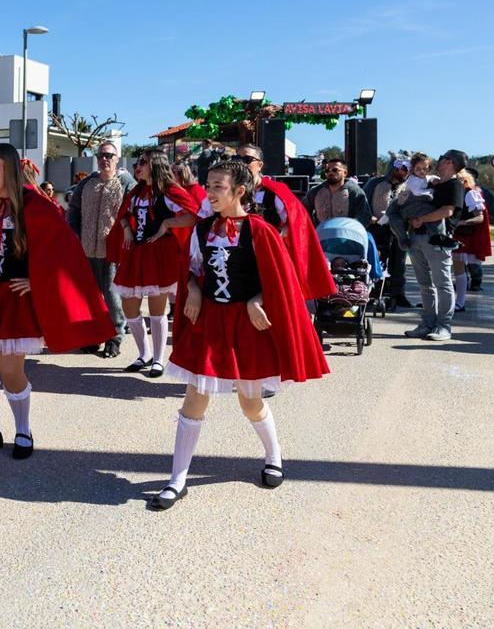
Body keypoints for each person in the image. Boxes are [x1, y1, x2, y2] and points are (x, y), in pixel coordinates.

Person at [149, 159, 328, 510]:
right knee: (194, 399)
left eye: (218, 186)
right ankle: (177, 479)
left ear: (239, 191)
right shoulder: (202, 230)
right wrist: (195, 290)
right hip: (212, 323)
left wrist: (256, 300)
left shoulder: (260, 230)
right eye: (209, 184)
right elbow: (192, 271)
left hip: (248, 327)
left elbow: (280, 281)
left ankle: (274, 455)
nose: (210, 192)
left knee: (250, 402)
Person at [0, 143, 113, 459]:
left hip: (16, 300)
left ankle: (23, 430)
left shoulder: (37, 206)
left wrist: (38, 280)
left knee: (10, 369)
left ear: (10, 169)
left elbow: (63, 251)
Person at [197, 145, 334, 301]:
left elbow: (296, 224)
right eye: (237, 159)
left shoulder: (274, 191)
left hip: (266, 262)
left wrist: (273, 240)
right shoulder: (221, 192)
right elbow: (202, 222)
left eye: (247, 159)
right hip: (232, 263)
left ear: (260, 165)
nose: (241, 163)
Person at [107, 148, 198, 377]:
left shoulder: (169, 191)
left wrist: (167, 224)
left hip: (159, 255)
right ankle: (144, 354)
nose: (138, 166)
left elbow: (193, 215)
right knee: (129, 306)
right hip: (135, 254)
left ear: (155, 165)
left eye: (144, 163)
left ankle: (158, 359)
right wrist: (127, 227)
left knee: (157, 309)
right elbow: (123, 216)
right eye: (138, 162)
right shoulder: (136, 191)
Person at [66, 141, 136, 358]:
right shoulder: (87, 183)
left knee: (112, 296)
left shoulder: (126, 183)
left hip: (113, 251)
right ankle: (93, 336)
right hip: (87, 248)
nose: (104, 159)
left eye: (109, 155)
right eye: (101, 155)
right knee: (90, 296)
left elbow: (133, 212)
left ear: (117, 158)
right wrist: (75, 234)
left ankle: (115, 337)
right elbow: (74, 211)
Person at [405, 150, 467, 342]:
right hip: (418, 238)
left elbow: (447, 211)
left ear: (449, 162)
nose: (438, 162)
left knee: (443, 284)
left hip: (438, 239)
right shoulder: (434, 183)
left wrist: (420, 219)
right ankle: (428, 323)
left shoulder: (455, 185)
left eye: (441, 159)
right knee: (425, 284)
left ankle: (444, 326)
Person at [363, 157, 412, 309]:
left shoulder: (409, 186)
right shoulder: (375, 183)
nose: (405, 172)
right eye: (402, 168)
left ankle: (398, 294)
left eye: (407, 169)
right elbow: (363, 202)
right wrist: (369, 217)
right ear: (394, 168)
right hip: (377, 227)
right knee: (376, 260)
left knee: (399, 263)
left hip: (400, 229)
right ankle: (374, 293)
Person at [451, 169, 491, 312]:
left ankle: (460, 302)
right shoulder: (458, 193)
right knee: (455, 270)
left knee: (459, 269)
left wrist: (462, 223)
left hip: (464, 236)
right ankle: (454, 301)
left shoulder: (470, 193)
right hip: (455, 234)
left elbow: (479, 217)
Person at [303, 159, 372, 227]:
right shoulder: (315, 191)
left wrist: (351, 227)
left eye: (335, 170)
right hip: (321, 235)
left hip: (345, 235)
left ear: (345, 173)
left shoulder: (355, 192)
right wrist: (311, 228)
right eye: (327, 170)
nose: (330, 173)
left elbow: (365, 215)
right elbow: (302, 210)